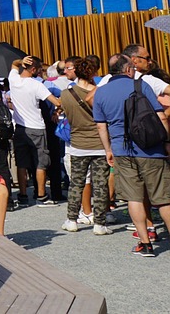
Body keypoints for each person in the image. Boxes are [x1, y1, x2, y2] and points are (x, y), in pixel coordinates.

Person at [93, 52, 170, 257]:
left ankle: (145, 244)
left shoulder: (101, 92)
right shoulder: (140, 85)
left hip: (121, 150)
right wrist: (167, 142)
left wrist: (108, 150)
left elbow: (101, 127)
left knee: (134, 198)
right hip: (150, 149)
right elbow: (161, 116)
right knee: (163, 198)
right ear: (128, 69)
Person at [57, 56, 113, 235]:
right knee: (100, 184)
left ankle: (72, 219)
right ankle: (99, 223)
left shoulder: (66, 94)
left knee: (76, 183)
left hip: (78, 143)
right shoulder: (100, 92)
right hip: (99, 143)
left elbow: (67, 116)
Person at [8, 55, 61, 207]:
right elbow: (56, 101)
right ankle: (41, 195)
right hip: (36, 127)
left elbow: (13, 63)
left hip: (19, 127)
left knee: (22, 163)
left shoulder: (14, 80)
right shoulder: (36, 85)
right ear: (33, 70)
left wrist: (20, 61)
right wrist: (58, 110)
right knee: (41, 163)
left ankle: (23, 195)